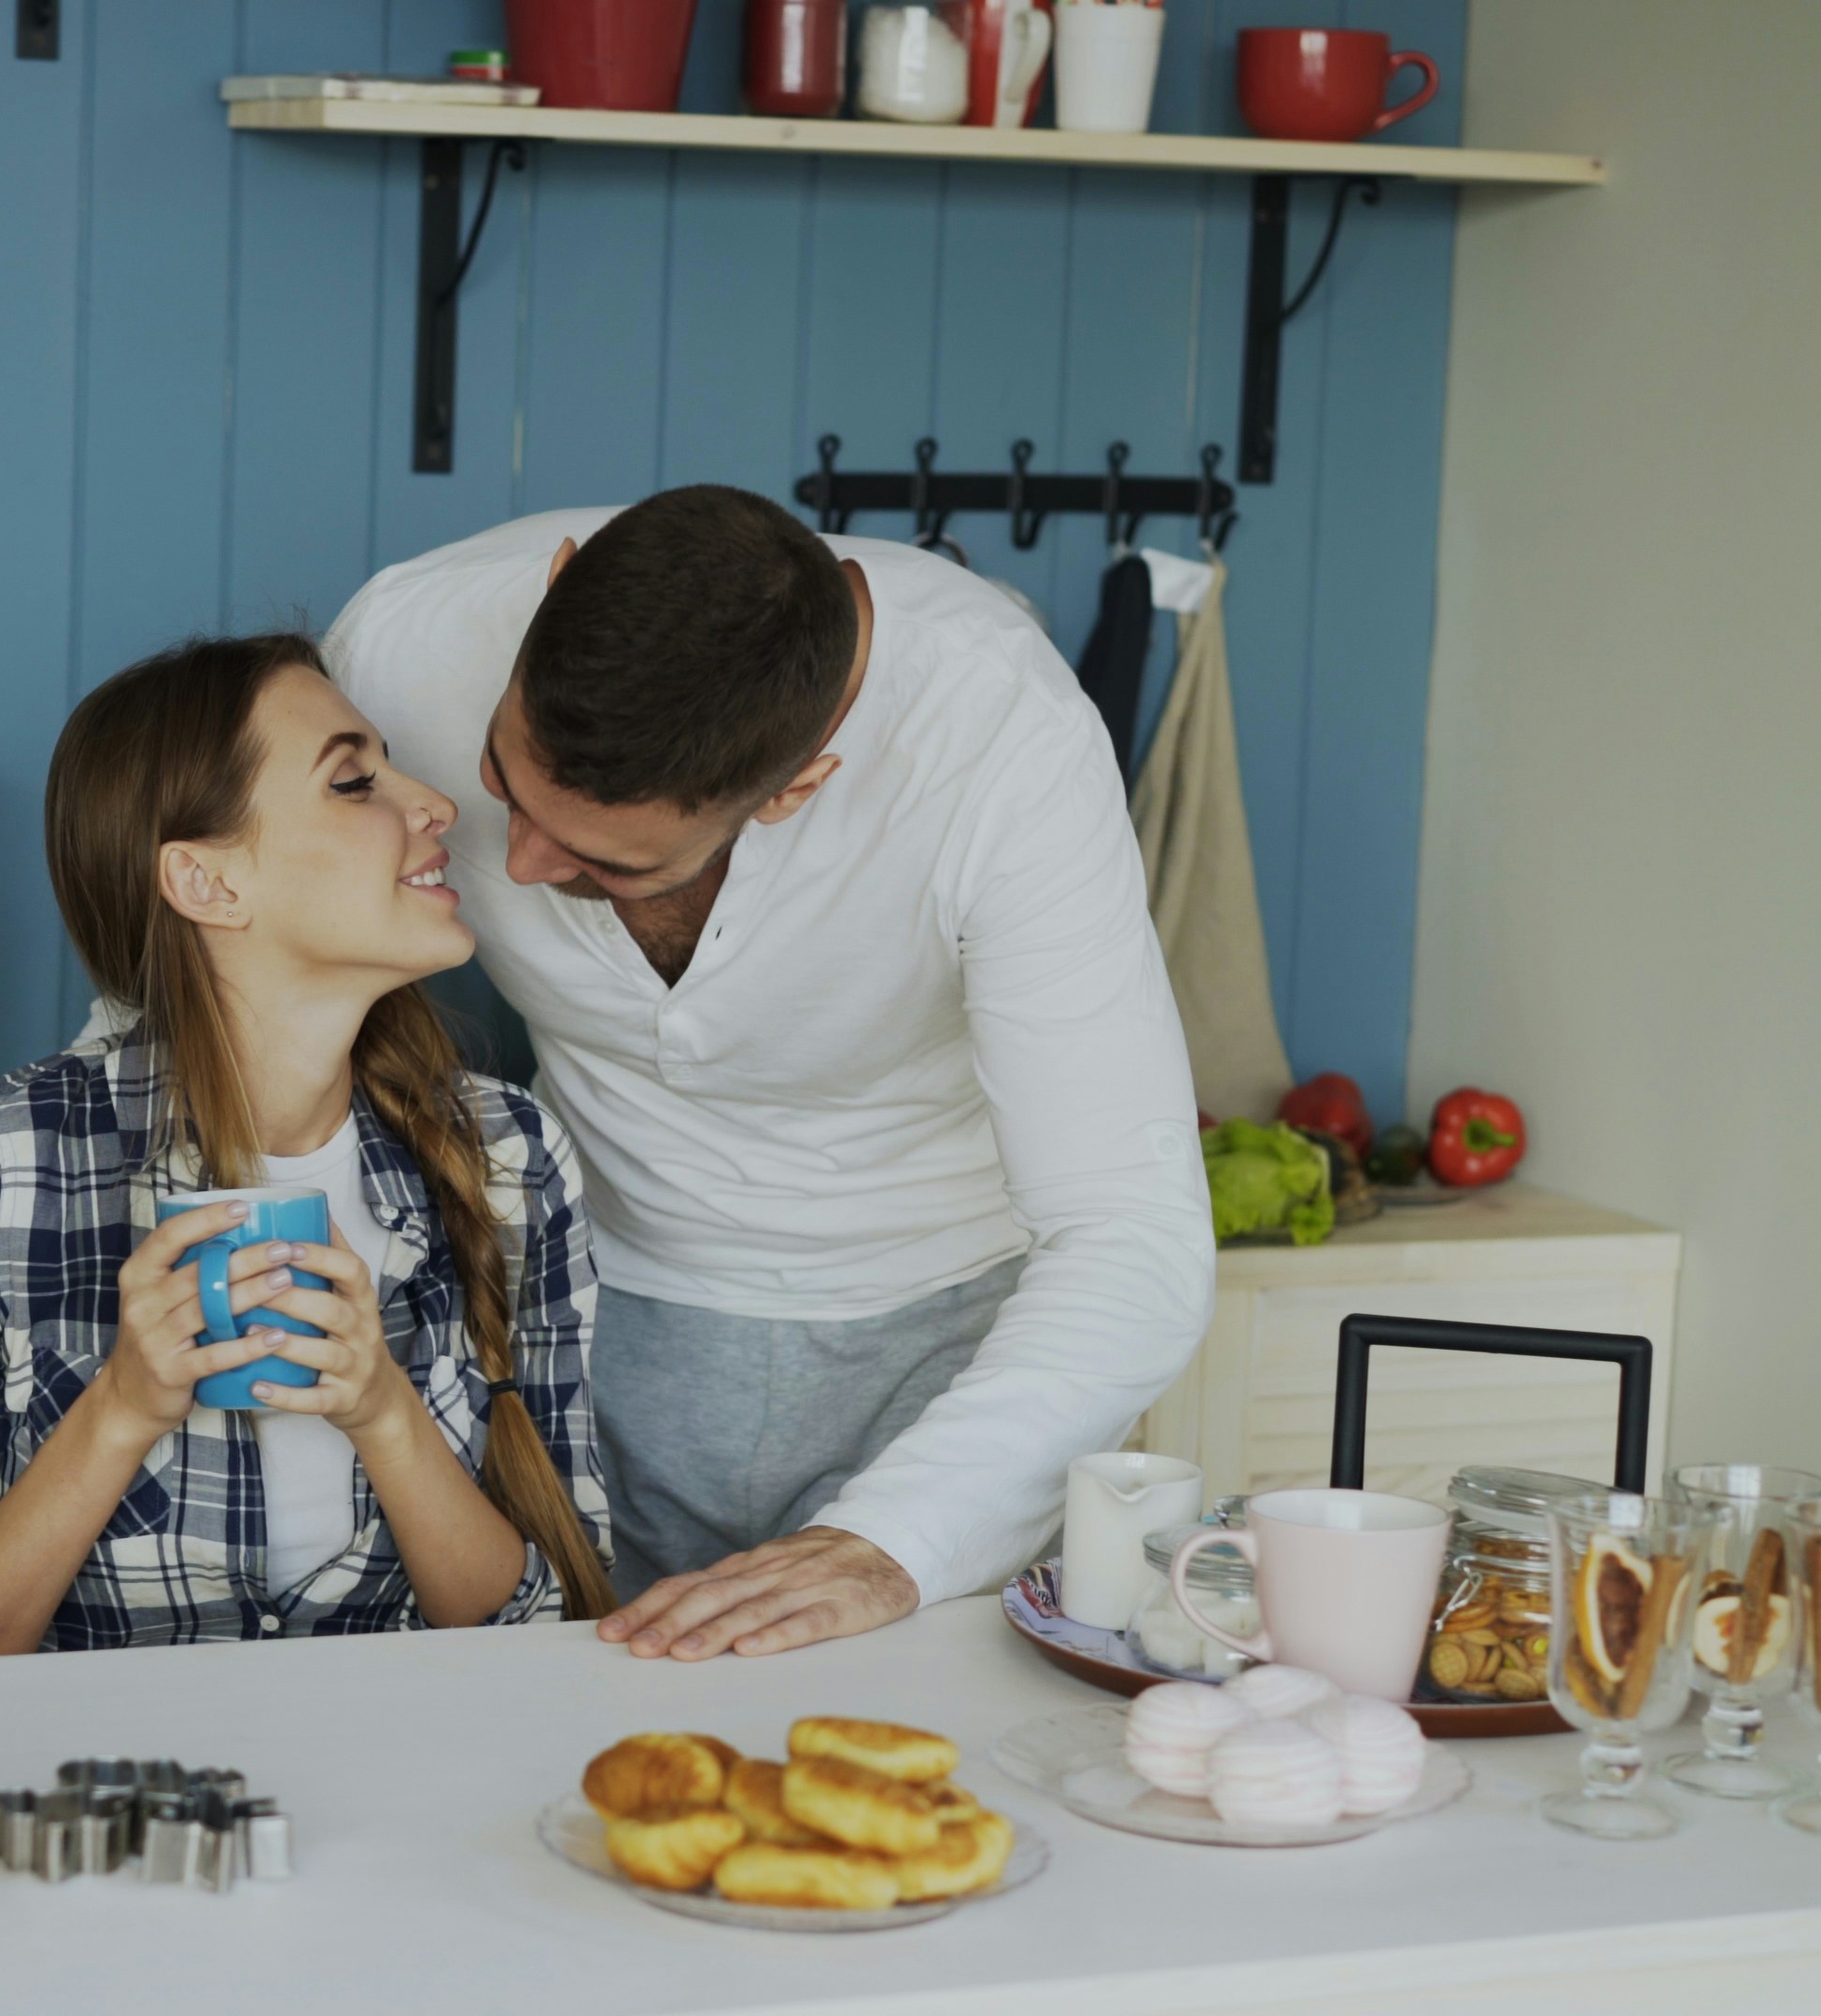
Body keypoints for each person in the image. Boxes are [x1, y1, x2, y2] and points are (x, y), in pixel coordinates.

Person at [322, 484, 1214, 1662]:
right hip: (582, 1323)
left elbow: (1133, 1233)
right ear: (554, 585)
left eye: (605, 862)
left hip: (949, 1355)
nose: (521, 865)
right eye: (501, 775)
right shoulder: (402, 639)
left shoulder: (1008, 738)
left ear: (799, 785)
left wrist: (897, 1537)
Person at [0, 634, 612, 1659]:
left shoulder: (512, 1156)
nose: (435, 805)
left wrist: (386, 1413)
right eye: (354, 780)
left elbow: (559, 1635)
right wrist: (119, 1409)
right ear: (205, 884)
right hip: (84, 1801)